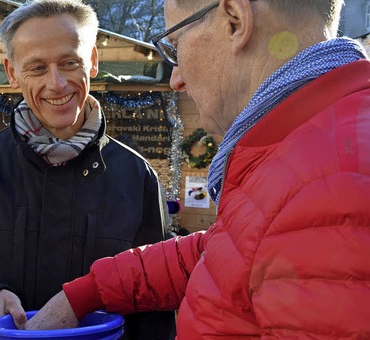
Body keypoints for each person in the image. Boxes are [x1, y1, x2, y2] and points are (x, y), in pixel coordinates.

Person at [26, 0, 370, 338]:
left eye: (175, 47)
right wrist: (85, 294)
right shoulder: (312, 147)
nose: (176, 79)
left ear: (234, 20)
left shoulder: (331, 184)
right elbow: (230, 253)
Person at [0, 0, 175, 339]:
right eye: (37, 68)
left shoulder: (137, 176)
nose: (56, 84)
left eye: (69, 63)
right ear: (12, 73)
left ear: (93, 61)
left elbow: (155, 292)